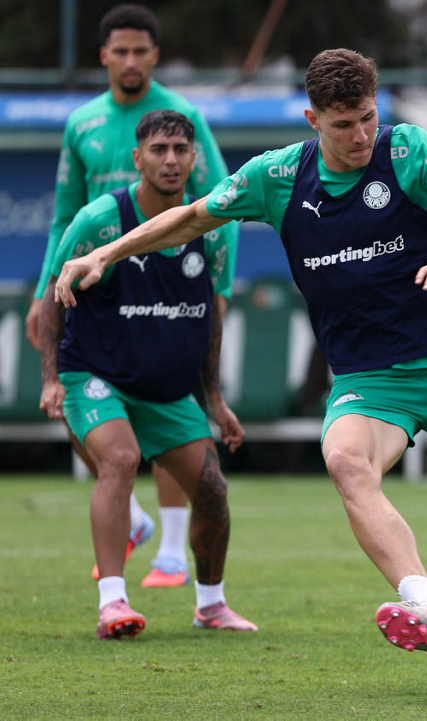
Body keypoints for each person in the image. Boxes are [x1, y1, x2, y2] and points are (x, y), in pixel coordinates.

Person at [56, 48, 427, 665]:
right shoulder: (278, 178)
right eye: (343, 124)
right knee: (347, 462)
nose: (360, 136)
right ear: (312, 119)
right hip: (369, 380)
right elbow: (192, 218)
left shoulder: (408, 152)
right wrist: (105, 255)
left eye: (368, 119)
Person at [27, 4, 241, 586]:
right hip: (94, 278)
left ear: (154, 55)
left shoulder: (182, 116)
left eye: (139, 51)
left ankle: (174, 551)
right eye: (118, 51)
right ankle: (134, 520)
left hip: (171, 270)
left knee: (165, 385)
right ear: (103, 57)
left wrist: (212, 285)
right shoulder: (83, 124)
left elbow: (224, 199)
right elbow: (65, 213)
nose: (128, 60)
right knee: (95, 415)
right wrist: (49, 281)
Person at [38, 110, 254, 638]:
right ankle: (112, 602)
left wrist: (216, 400)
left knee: (214, 494)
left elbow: (213, 317)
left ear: (195, 157)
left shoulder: (214, 231)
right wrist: (49, 378)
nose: (172, 160)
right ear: (137, 159)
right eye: (159, 149)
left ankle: (210, 604)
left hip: (166, 391)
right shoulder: (99, 220)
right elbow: (51, 299)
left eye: (181, 150)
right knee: (121, 458)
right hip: (95, 375)